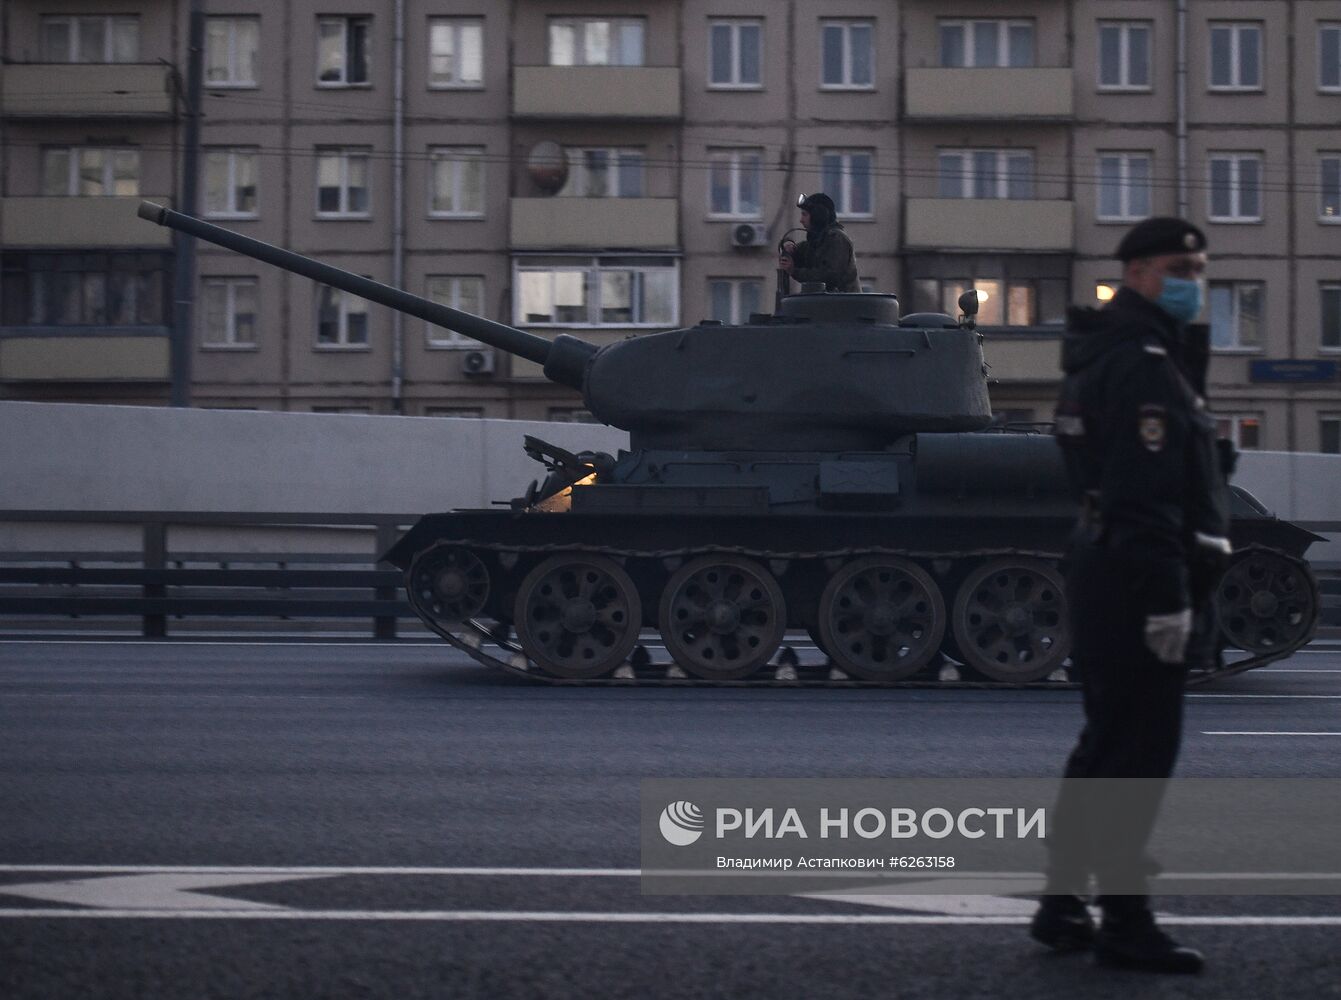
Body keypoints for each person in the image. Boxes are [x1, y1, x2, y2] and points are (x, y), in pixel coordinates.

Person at [1030, 217, 1233, 975]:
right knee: (1138, 754)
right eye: (1182, 266)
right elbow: (1143, 496)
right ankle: (1123, 920)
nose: (1193, 279)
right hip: (1134, 574)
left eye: (1198, 267)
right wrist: (1166, 600)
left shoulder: (1120, 353)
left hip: (1108, 565)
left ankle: (1060, 901)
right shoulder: (1142, 362)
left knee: (1105, 746)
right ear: (1141, 272)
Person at [779, 192, 860, 293]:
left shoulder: (837, 239)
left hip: (844, 305)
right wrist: (791, 250)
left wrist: (794, 271)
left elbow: (829, 275)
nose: (801, 220)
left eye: (805, 215)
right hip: (825, 304)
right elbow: (802, 253)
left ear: (818, 216)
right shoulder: (817, 240)